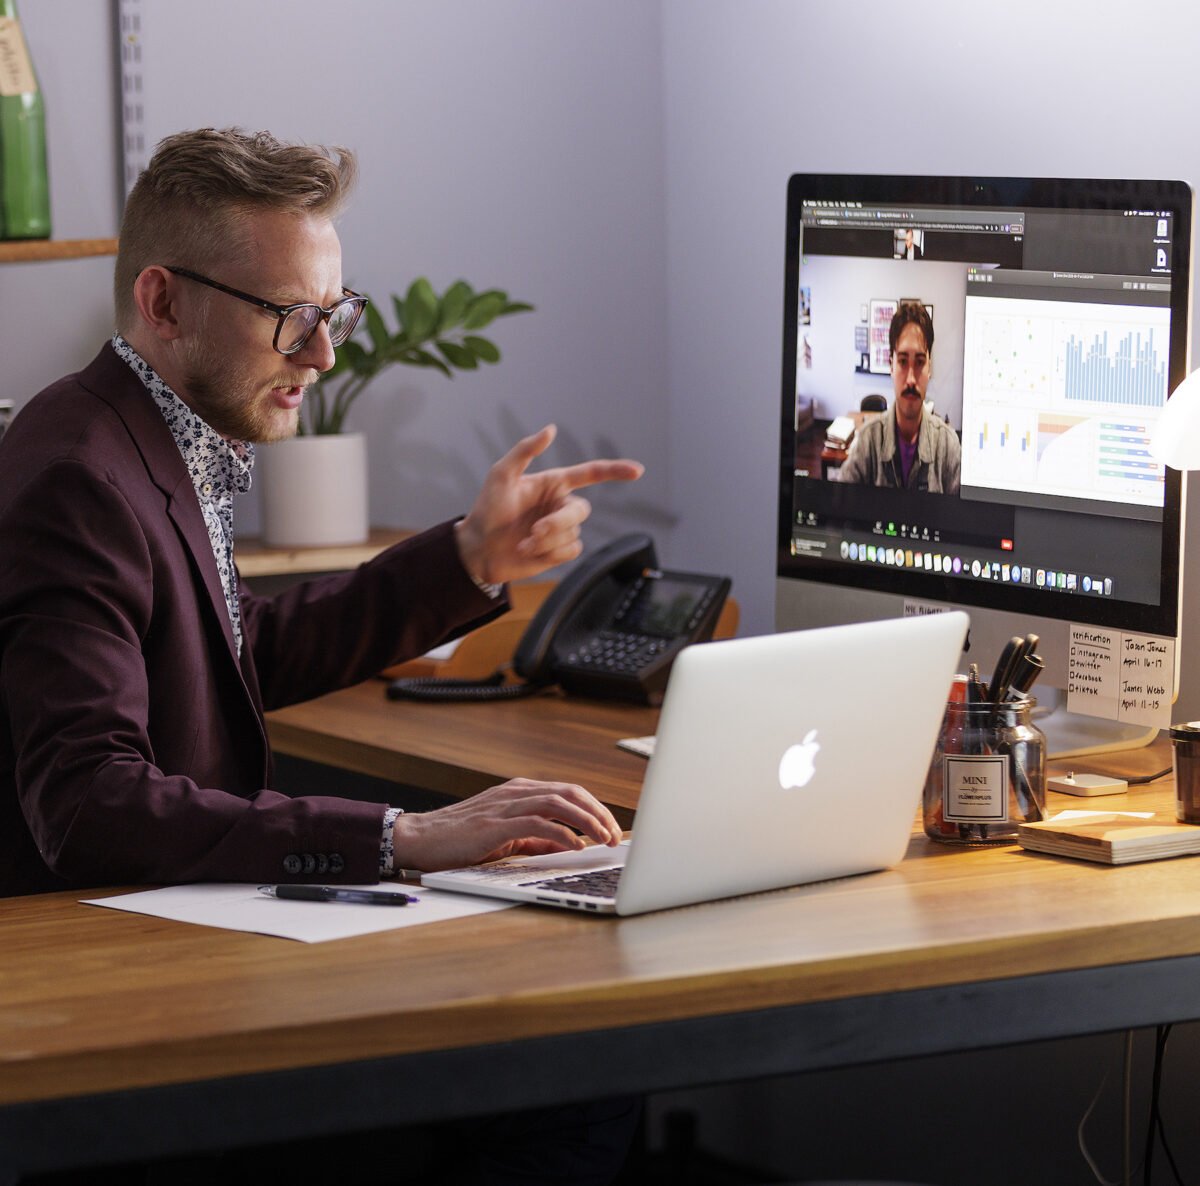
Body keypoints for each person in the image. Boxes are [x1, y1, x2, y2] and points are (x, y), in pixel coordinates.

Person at [0, 126, 647, 1182]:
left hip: (190, 947)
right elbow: (90, 801)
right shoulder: (82, 473)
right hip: (117, 1015)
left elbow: (233, 648)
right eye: (290, 318)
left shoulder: (143, 437)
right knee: (574, 1072)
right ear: (164, 304)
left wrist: (468, 559)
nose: (324, 354)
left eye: (332, 313)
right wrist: (405, 833)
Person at [839, 301, 960, 493]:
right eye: (903, 361)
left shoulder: (948, 447)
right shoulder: (868, 441)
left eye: (920, 362)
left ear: (929, 368)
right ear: (891, 366)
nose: (911, 379)